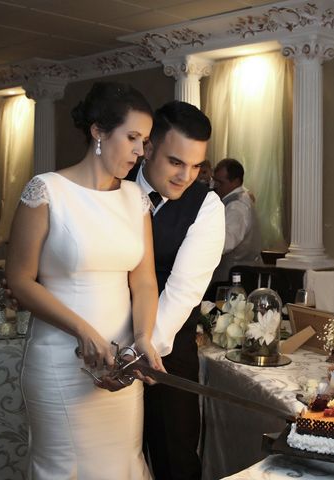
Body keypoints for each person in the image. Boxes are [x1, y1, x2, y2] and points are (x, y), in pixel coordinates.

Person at [5, 82, 164, 479]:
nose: (140, 152)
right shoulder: (47, 190)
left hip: (121, 366)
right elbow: (20, 279)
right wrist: (82, 330)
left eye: (144, 141)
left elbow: (144, 281)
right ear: (98, 131)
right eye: (131, 137)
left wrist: (143, 337)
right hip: (60, 362)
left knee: (121, 466)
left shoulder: (136, 199)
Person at [125, 101, 225, 480]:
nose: (187, 176)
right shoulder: (113, 184)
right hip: (101, 339)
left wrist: (142, 348)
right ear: (148, 149)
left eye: (197, 165)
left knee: (174, 457)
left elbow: (183, 291)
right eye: (176, 162)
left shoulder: (207, 206)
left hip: (168, 349)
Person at [211, 158, 262, 284]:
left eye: (220, 182)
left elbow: (226, 242)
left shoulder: (237, 206)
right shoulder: (241, 199)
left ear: (235, 181)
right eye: (215, 180)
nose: (215, 186)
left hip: (233, 277)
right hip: (236, 274)